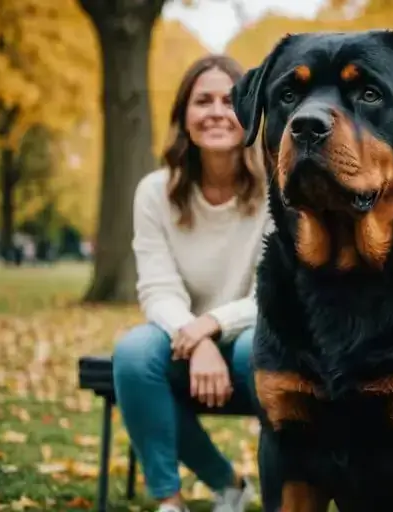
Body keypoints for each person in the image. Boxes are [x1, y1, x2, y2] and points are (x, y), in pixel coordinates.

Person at [112, 54, 271, 512]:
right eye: (203, 101)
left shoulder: (280, 190)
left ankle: (289, 490)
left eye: (230, 100)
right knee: (134, 354)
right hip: (182, 341)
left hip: (255, 341)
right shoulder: (154, 192)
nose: (218, 111)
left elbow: (273, 295)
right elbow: (157, 290)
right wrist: (197, 339)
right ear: (185, 116)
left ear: (251, 112)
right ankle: (176, 499)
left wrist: (211, 328)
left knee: (256, 348)